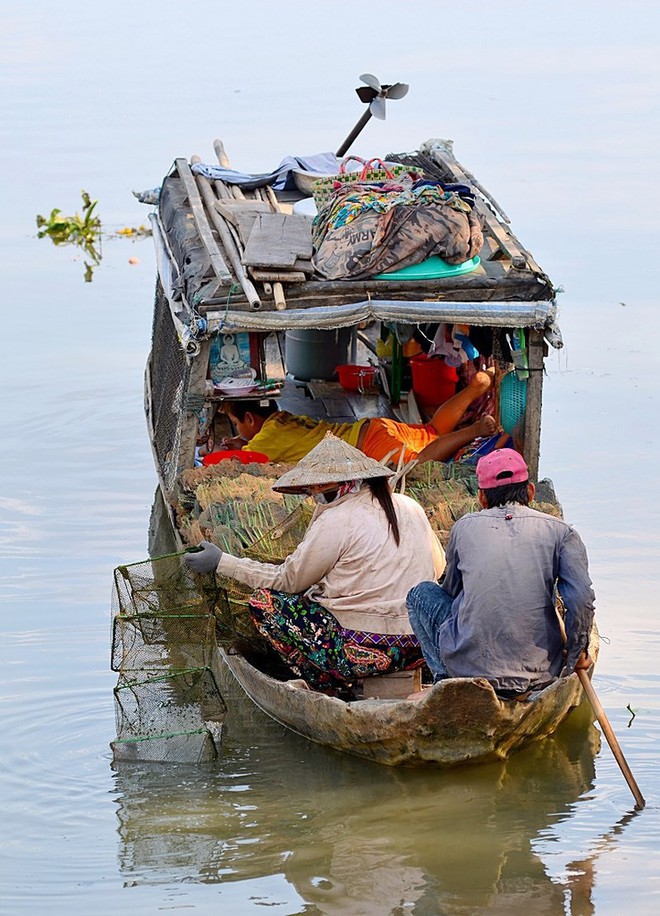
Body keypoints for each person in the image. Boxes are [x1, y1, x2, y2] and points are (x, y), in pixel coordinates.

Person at [185, 434, 446, 691]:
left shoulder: (337, 519)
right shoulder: (409, 505)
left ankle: (325, 684)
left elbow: (287, 581)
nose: (315, 498)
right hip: (422, 644)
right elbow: (438, 566)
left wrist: (223, 562)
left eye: (320, 492)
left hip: (359, 651)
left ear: (346, 484)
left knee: (265, 603)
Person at [406, 448, 595, 696]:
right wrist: (576, 654)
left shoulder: (463, 527)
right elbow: (580, 599)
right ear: (530, 491)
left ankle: (446, 680)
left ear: (482, 498)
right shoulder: (562, 532)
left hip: (468, 669)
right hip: (540, 673)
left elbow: (451, 593)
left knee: (420, 594)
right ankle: (452, 681)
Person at [217, 368, 497, 467]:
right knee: (432, 430)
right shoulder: (281, 419)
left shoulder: (265, 440)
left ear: (251, 420)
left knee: (416, 465)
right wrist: (241, 443)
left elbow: (238, 463)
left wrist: (232, 449)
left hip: (368, 445)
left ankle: (475, 430)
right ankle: (476, 388)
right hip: (373, 428)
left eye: (237, 423)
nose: (238, 430)